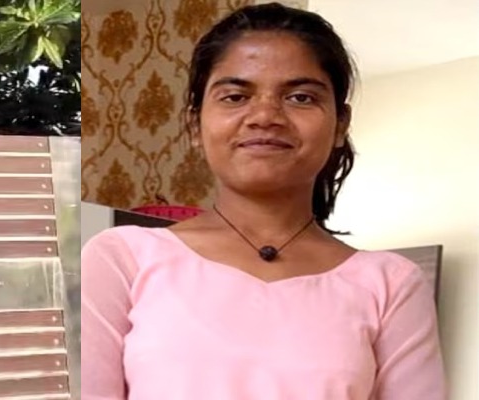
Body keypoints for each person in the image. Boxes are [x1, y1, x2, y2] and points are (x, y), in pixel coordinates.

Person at [80, 3, 446, 399]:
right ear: (194, 125)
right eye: (236, 96)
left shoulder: (391, 284)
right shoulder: (123, 258)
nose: (265, 116)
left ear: (340, 124)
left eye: (301, 97)